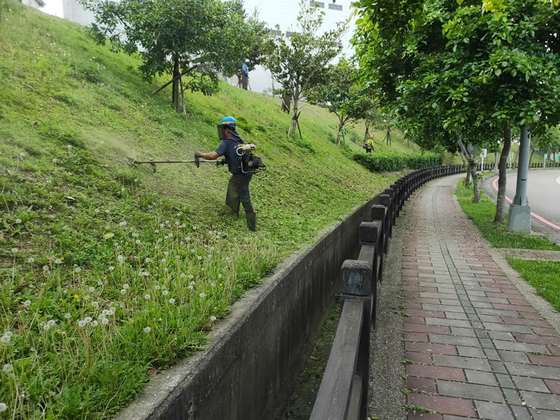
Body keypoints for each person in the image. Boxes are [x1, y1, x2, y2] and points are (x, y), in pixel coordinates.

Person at [195, 116, 257, 231]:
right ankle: (238, 214)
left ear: (227, 129)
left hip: (240, 175)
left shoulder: (227, 142)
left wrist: (200, 154)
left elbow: (213, 155)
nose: (221, 131)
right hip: (246, 173)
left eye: (222, 129)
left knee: (239, 192)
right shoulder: (238, 140)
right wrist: (224, 161)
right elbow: (234, 156)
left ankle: (245, 220)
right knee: (239, 190)